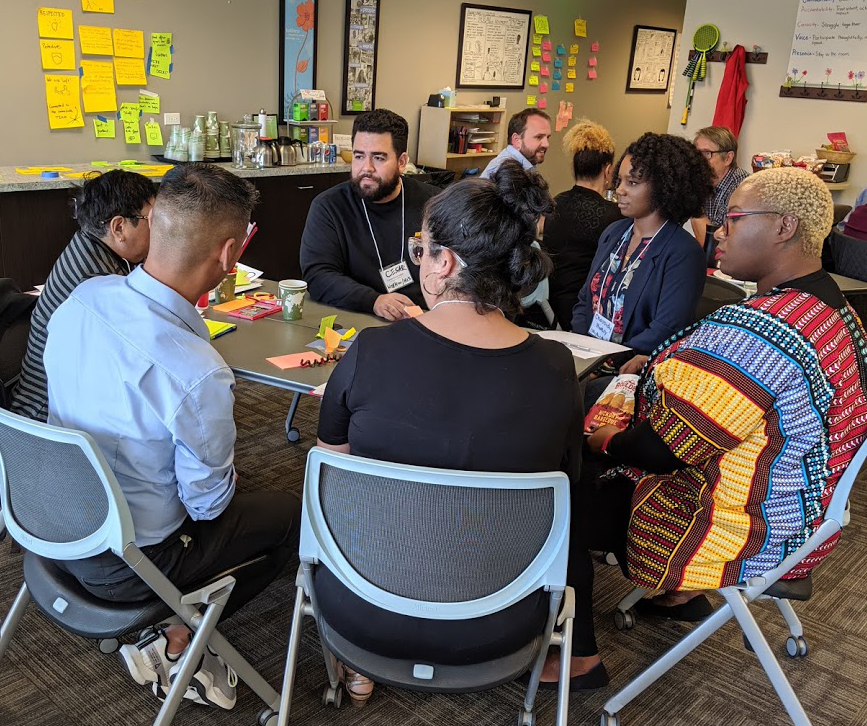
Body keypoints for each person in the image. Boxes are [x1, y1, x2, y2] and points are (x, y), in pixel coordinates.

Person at [315, 160, 592, 703]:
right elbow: (566, 481)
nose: (419, 262)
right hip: (499, 620)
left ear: (445, 262)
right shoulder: (557, 367)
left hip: (362, 609)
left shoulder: (370, 351)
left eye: (421, 250)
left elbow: (332, 480)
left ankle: (356, 672)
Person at [43, 164, 301, 710]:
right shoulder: (197, 372)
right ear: (230, 254)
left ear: (153, 220)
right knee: (288, 519)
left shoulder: (83, 299)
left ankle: (170, 627)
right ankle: (174, 631)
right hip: (126, 566)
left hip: (49, 525)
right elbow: (206, 507)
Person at [579, 168, 867, 641]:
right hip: (805, 517)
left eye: (734, 218)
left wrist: (604, 443)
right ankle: (684, 597)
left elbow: (660, 451)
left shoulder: (759, 334)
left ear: (783, 227)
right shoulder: (834, 310)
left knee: (556, 492)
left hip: (742, 529)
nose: (719, 230)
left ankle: (578, 655)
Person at [11, 170, 155, 421]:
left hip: (49, 405)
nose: (160, 231)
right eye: (152, 220)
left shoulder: (89, 244)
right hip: (49, 420)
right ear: (119, 227)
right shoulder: (95, 282)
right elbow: (135, 355)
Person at [571, 132, 711, 355]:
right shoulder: (613, 232)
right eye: (619, 180)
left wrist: (608, 358)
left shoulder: (684, 252)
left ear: (664, 187)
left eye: (632, 183)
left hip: (631, 366)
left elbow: (667, 327)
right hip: (588, 354)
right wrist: (582, 344)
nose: (619, 190)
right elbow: (584, 299)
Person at [300, 109, 440, 320]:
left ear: (402, 162)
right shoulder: (329, 206)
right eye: (359, 156)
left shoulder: (436, 203)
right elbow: (318, 275)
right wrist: (374, 301)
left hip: (426, 318)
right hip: (358, 316)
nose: (366, 168)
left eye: (378, 158)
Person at [542, 119, 622, 330]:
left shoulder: (556, 202)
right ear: (607, 170)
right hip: (584, 312)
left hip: (548, 307)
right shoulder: (614, 215)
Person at [691, 125, 750, 260]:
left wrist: (691, 203)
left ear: (728, 158)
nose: (697, 161)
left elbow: (715, 250)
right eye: (696, 153)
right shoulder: (705, 182)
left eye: (707, 154)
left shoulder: (741, 190)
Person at [480, 108, 551, 179]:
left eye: (547, 137)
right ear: (516, 140)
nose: (546, 144)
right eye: (538, 137)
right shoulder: (505, 170)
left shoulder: (525, 163)